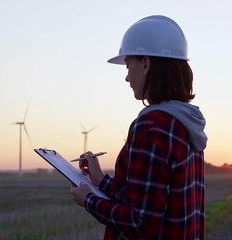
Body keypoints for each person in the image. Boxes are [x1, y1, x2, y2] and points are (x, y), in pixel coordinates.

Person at [71, 15, 207, 240]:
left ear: (145, 64)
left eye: (127, 66)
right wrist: (100, 180)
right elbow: (148, 198)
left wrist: (89, 200)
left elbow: (142, 223)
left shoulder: (152, 127)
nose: (126, 77)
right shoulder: (185, 122)